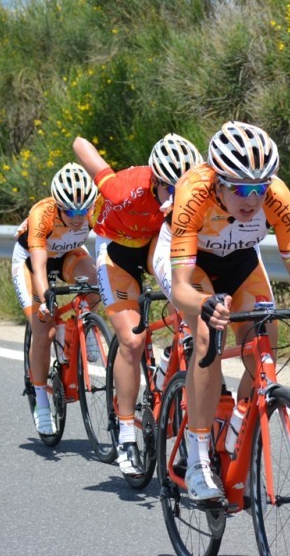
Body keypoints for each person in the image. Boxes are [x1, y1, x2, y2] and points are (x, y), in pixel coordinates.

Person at [168, 121, 290, 502]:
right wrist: (203, 304)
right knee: (207, 335)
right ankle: (196, 455)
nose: (252, 199)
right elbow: (179, 287)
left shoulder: (277, 196)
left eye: (259, 188)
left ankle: (240, 421)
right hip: (194, 266)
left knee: (265, 339)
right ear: (218, 182)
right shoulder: (193, 193)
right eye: (241, 189)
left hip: (241, 261)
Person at [73, 133, 202, 481]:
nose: (178, 199)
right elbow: (83, 148)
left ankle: (168, 372)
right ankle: (127, 433)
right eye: (171, 191)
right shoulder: (125, 187)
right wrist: (80, 139)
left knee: (192, 316)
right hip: (116, 250)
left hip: (156, 244)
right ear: (156, 181)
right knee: (132, 341)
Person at [12, 162, 99, 436]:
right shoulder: (43, 213)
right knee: (44, 329)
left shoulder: (92, 210)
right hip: (30, 262)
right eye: (72, 211)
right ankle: (40, 401)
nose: (78, 217)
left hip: (67, 255)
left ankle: (83, 329)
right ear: (59, 205)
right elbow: (38, 266)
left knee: (97, 284)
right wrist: (46, 296)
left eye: (84, 211)